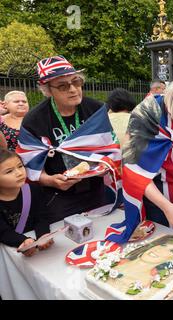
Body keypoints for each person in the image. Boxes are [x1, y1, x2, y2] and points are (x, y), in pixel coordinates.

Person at [106, 69, 173, 244]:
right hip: (154, 197)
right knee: (158, 246)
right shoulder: (147, 112)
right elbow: (133, 169)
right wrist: (166, 207)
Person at [17, 55, 122, 224]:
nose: (73, 89)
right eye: (63, 86)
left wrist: (104, 165)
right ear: (48, 90)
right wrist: (50, 181)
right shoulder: (34, 120)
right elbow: (28, 164)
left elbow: (109, 146)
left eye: (76, 82)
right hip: (59, 197)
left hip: (96, 189)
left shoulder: (95, 109)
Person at [0, 149, 53, 256]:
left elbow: (41, 217)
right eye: (9, 171)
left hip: (34, 248)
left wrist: (43, 235)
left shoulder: (33, 189)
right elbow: (3, 232)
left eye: (20, 166)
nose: (19, 173)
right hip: (9, 253)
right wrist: (23, 241)